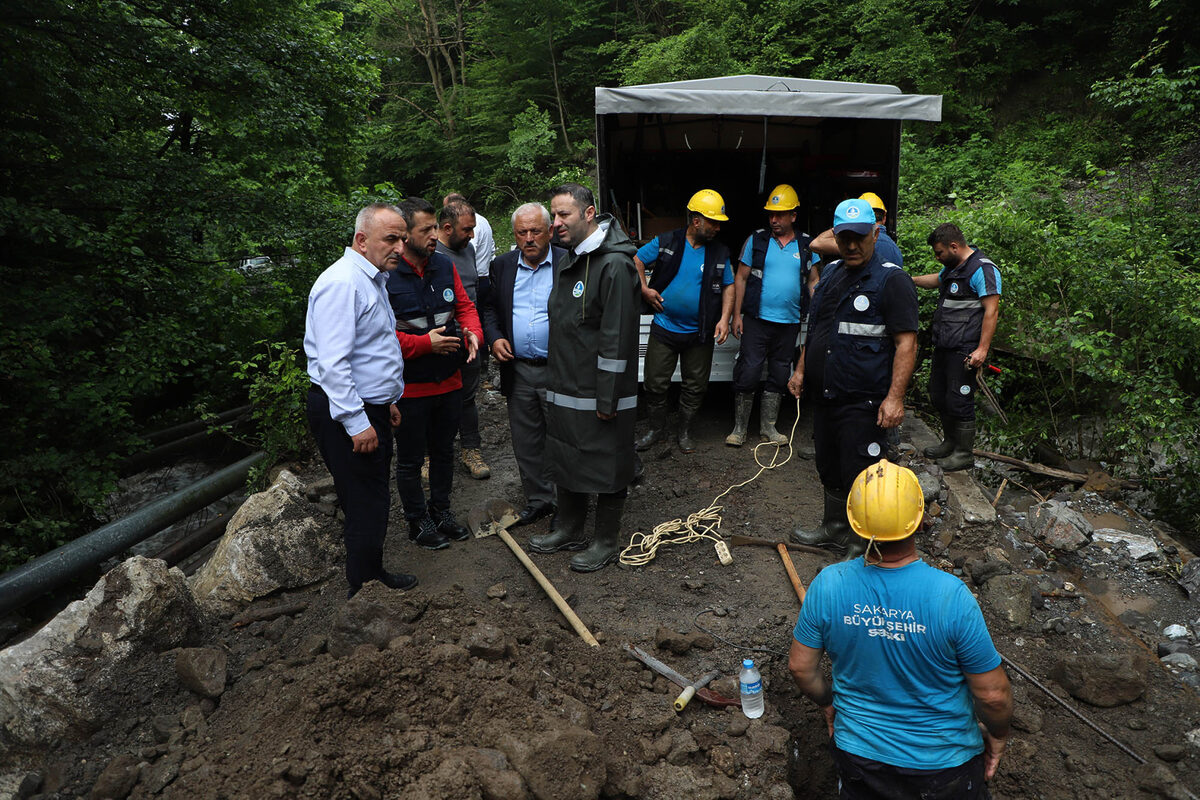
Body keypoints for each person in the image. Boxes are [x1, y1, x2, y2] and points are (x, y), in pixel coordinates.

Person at [789, 459, 1012, 798]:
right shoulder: (951, 597)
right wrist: (997, 734)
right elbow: (993, 695)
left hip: (860, 759)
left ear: (853, 522)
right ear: (920, 519)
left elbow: (801, 668)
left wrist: (829, 704)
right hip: (944, 768)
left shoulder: (828, 585)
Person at [787, 198, 918, 556]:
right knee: (828, 463)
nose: (852, 245)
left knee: (862, 471)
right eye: (844, 237)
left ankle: (860, 543)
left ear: (875, 233)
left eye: (860, 237)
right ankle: (834, 528)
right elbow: (816, 329)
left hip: (865, 400)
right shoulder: (829, 274)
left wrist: (895, 398)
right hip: (827, 394)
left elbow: (906, 343)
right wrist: (801, 369)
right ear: (835, 236)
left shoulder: (892, 280)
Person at [304, 203, 415, 598]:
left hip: (369, 405)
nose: (401, 247)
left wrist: (387, 402)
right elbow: (333, 365)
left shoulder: (372, 279)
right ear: (361, 240)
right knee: (365, 499)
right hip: (346, 410)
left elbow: (371, 353)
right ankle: (364, 594)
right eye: (391, 238)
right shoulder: (343, 283)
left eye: (403, 238)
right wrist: (357, 421)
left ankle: (371, 578)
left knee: (371, 495)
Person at [529, 183, 640, 572]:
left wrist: (607, 398)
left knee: (608, 462)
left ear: (589, 213)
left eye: (564, 215)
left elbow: (617, 337)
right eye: (554, 215)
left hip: (600, 393)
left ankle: (606, 541)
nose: (555, 223)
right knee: (566, 453)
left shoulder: (615, 265)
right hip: (565, 387)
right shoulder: (570, 260)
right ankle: (570, 527)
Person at [387, 197, 483, 550]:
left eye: (434, 228)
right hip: (409, 388)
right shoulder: (387, 273)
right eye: (425, 229)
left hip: (450, 381)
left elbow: (465, 307)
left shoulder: (444, 266)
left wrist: (474, 333)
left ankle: (442, 512)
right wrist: (424, 345)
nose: (434, 235)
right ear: (405, 234)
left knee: (444, 452)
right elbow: (381, 337)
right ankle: (418, 521)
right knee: (411, 460)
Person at [632, 189, 734, 453]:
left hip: (700, 333)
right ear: (696, 220)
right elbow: (636, 260)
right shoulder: (668, 241)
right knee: (654, 383)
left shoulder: (720, 252)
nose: (717, 228)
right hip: (664, 328)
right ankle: (656, 429)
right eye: (713, 222)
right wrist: (644, 289)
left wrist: (724, 318)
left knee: (695, 385)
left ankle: (684, 431)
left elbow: (729, 287)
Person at [482, 202, 565, 527]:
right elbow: (488, 308)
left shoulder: (567, 262)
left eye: (535, 231)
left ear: (549, 232)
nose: (529, 238)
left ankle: (567, 504)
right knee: (526, 440)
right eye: (522, 232)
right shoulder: (501, 266)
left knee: (562, 437)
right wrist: (494, 337)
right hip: (518, 368)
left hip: (559, 368)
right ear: (514, 235)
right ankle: (539, 500)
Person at [727, 184, 813, 447]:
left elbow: (814, 281)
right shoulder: (757, 239)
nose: (774, 220)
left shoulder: (807, 244)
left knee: (778, 374)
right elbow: (740, 278)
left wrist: (818, 312)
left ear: (793, 216)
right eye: (771, 215)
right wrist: (737, 315)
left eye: (780, 215)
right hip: (756, 320)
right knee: (749, 371)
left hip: (789, 323)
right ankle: (739, 429)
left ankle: (768, 428)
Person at [912, 223, 1001, 471]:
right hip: (944, 344)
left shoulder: (982, 269)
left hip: (966, 349)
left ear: (954, 246)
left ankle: (963, 454)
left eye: (939, 253)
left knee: (960, 398)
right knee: (939, 395)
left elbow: (991, 311)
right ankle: (949, 442)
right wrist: (908, 280)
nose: (937, 258)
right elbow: (934, 281)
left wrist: (982, 350)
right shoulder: (952, 268)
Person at [436, 199, 491, 480]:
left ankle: (470, 449)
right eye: (467, 229)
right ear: (447, 228)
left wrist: (478, 333)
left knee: (468, 398)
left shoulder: (467, 249)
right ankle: (426, 455)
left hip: (470, 337)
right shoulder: (432, 252)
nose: (472, 236)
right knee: (435, 399)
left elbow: (473, 293)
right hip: (442, 340)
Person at [811, 191, 903, 267]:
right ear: (884, 218)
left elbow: (816, 244)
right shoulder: (894, 248)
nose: (852, 246)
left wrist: (844, 223)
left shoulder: (866, 242)